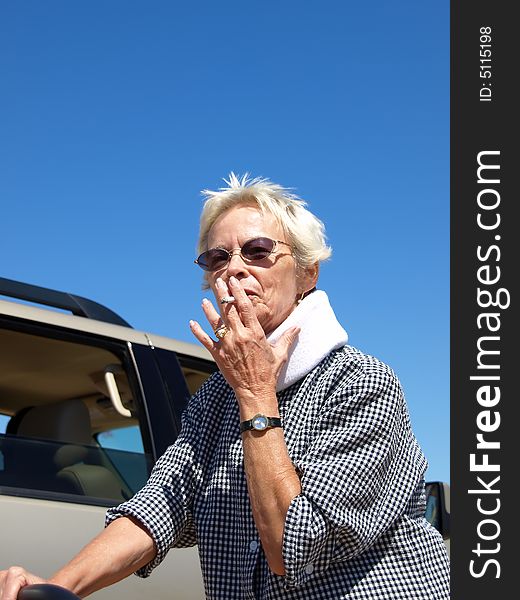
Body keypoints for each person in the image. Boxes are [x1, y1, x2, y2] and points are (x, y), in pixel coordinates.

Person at [0, 174, 450, 599]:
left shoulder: (360, 381)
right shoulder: (214, 399)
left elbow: (293, 548)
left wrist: (256, 394)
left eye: (257, 250)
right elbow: (162, 506)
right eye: (218, 258)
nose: (233, 270)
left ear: (307, 274)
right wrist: (57, 587)